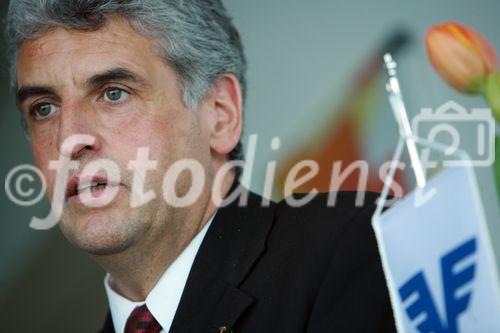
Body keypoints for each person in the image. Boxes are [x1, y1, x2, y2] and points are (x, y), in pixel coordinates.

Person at [6, 1, 396, 332]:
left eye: (113, 93)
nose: (68, 139)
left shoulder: (359, 243)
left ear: (220, 115)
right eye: (44, 108)